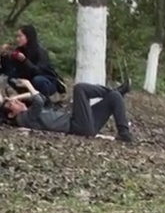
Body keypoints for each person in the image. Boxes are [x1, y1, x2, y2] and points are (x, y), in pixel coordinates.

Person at [2, 79, 132, 142]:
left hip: (82, 124)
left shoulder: (29, 115)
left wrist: (16, 96)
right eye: (12, 104)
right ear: (12, 114)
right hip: (77, 126)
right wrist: (28, 84)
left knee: (114, 98)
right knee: (79, 88)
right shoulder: (24, 119)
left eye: (15, 100)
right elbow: (38, 100)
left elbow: (40, 97)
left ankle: (124, 133)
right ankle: (115, 90)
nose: (16, 101)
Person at [0, 25, 64, 98]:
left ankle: (46, 100)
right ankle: (26, 99)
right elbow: (9, 70)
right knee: (11, 78)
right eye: (16, 37)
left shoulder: (40, 51)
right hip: (28, 81)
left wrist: (25, 61)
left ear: (28, 37)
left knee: (38, 80)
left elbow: (39, 72)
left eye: (20, 36)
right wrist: (4, 57)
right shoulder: (20, 50)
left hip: (46, 81)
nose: (17, 39)